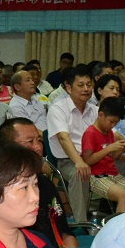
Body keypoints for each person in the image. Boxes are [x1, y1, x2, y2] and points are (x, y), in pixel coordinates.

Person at [0, 118, 78, 248]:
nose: (38, 147)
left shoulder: (45, 184)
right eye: (30, 142)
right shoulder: (2, 192)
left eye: (39, 141)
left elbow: (64, 232)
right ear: (8, 148)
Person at [47, 67, 97, 222]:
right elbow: (63, 138)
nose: (86, 89)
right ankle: (81, 223)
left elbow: (112, 133)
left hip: (96, 157)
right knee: (80, 173)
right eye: (81, 85)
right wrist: (79, 161)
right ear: (69, 88)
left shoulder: (95, 110)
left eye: (89, 85)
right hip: (69, 161)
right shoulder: (58, 109)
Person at [83, 97, 125, 214]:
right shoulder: (90, 133)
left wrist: (122, 148)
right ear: (101, 115)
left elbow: (111, 158)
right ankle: (119, 225)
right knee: (124, 195)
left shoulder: (108, 132)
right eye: (111, 121)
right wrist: (110, 148)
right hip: (96, 176)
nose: (113, 125)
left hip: (112, 173)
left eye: (116, 123)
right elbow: (87, 161)